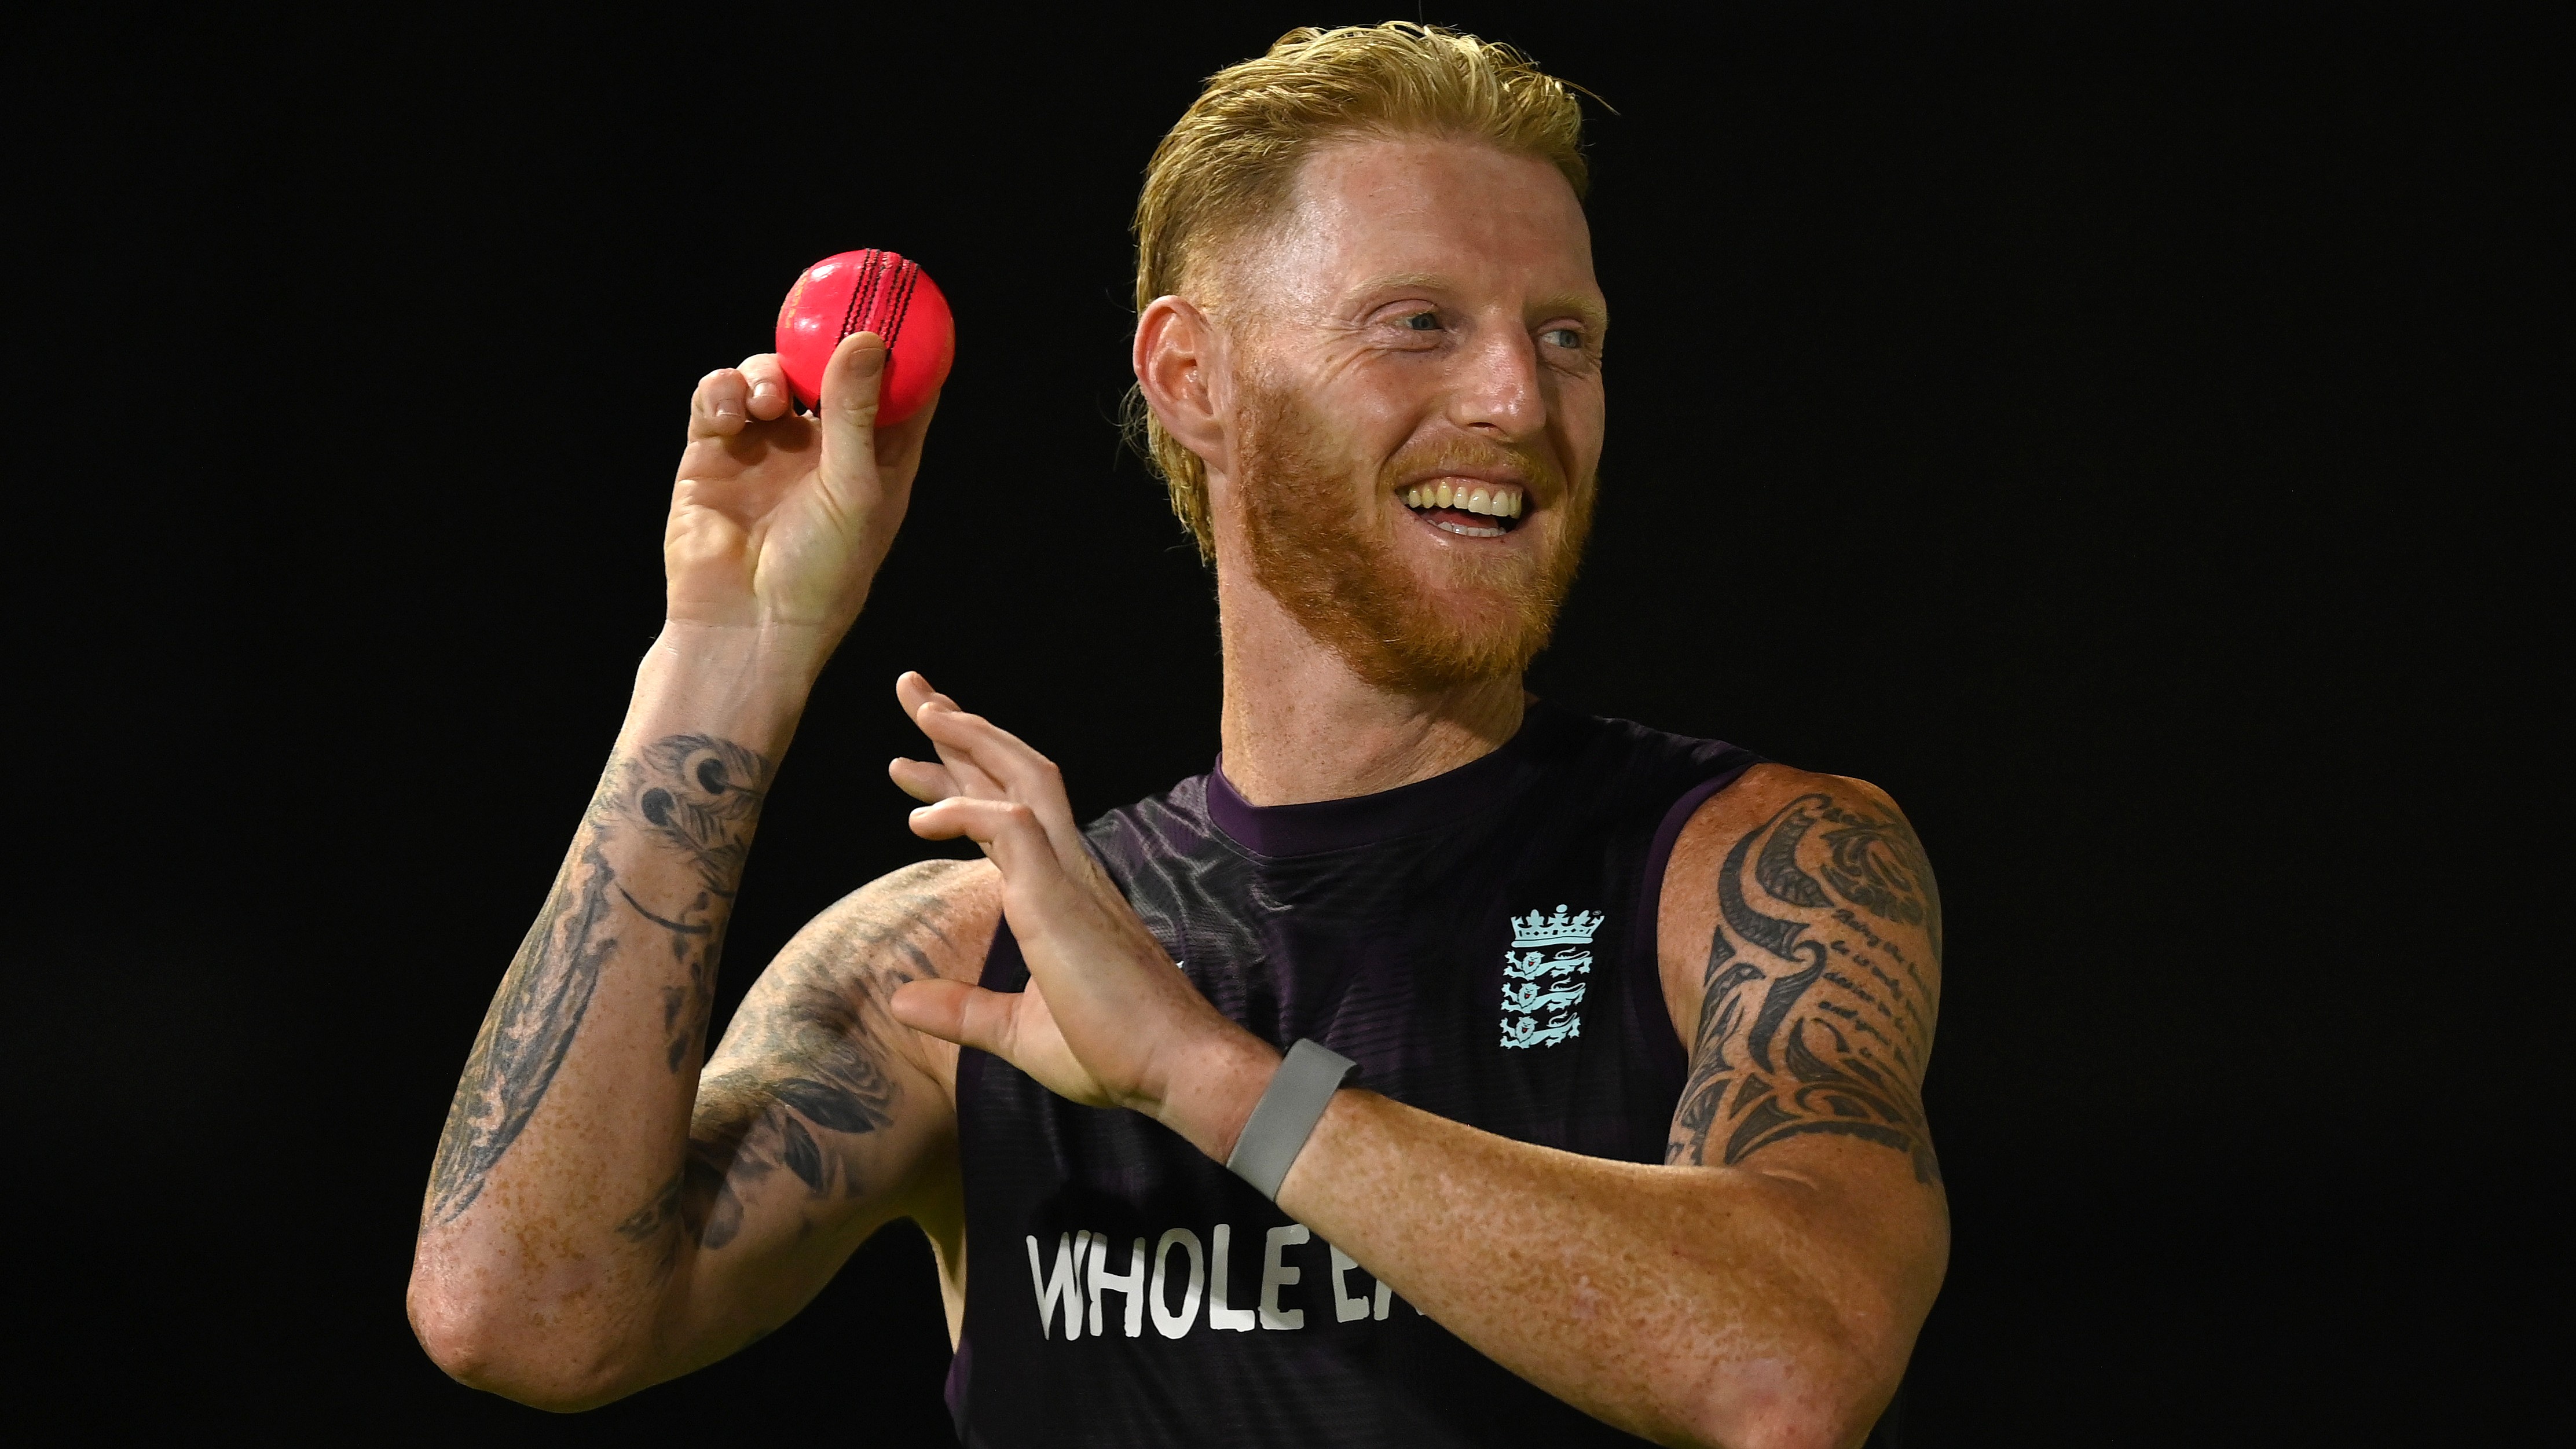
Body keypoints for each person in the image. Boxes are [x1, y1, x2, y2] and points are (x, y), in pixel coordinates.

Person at [408, 23, 1947, 1448]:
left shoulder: (1745, 862)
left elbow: (1789, 1367)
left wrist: (1202, 1079)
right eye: (1418, 323)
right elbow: (521, 1314)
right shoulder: (965, 963)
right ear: (1192, 379)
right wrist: (726, 653)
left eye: (1564, 337)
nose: (1512, 398)